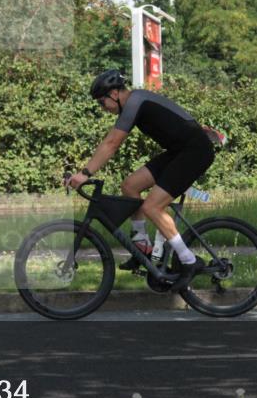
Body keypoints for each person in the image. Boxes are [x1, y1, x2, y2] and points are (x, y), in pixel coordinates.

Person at [67, 69, 217, 290]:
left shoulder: (135, 101)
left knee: (152, 207)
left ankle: (189, 261)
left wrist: (85, 173)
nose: (103, 108)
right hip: (179, 151)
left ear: (115, 94)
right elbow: (110, 142)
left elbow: (111, 144)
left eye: (102, 102)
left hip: (195, 151)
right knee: (130, 186)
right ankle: (142, 246)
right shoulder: (133, 103)